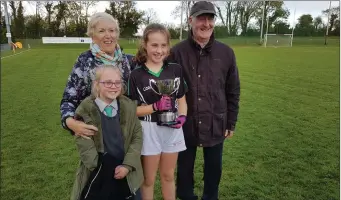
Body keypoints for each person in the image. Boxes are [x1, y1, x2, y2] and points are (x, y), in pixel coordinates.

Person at [167, 2, 241, 200]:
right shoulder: (176, 52)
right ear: (190, 20)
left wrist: (231, 121)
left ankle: (210, 196)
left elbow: (233, 90)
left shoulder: (226, 53)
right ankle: (186, 196)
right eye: (201, 18)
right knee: (183, 170)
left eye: (210, 19)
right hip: (184, 123)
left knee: (214, 169)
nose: (206, 23)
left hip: (216, 121)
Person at [127, 23, 188, 200]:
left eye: (163, 45)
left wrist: (182, 117)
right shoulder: (136, 75)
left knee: (168, 175)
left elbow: (181, 99)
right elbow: (132, 111)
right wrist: (155, 107)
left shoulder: (175, 69)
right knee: (148, 179)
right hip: (148, 130)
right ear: (145, 45)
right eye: (154, 45)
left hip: (173, 128)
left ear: (168, 46)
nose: (159, 50)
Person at [70, 65, 143, 200]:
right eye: (108, 82)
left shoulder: (128, 106)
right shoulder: (85, 109)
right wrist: (101, 168)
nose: (113, 86)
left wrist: (128, 165)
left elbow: (137, 136)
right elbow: (84, 144)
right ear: (96, 84)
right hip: (99, 173)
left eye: (117, 82)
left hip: (127, 171)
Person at [60, 12, 135, 140]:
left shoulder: (129, 61)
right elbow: (69, 98)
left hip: (126, 130)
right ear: (93, 36)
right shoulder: (84, 61)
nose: (108, 35)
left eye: (112, 30)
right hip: (95, 132)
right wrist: (71, 123)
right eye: (101, 31)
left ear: (117, 34)